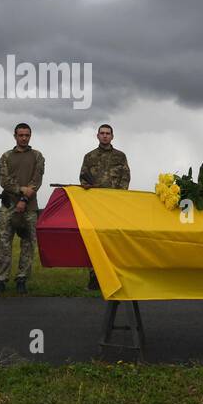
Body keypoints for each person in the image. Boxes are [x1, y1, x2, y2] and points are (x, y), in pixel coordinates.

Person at [0, 123, 45, 296]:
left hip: (29, 208)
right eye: (21, 135)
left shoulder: (37, 156)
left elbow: (36, 181)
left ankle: (22, 278)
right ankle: (1, 280)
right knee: (3, 243)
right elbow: (4, 181)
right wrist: (21, 191)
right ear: (15, 136)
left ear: (30, 136)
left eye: (27, 135)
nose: (24, 138)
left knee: (28, 244)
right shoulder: (6, 156)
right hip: (8, 207)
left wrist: (23, 199)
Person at [78, 123, 130, 290]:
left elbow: (125, 178)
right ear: (98, 136)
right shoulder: (89, 156)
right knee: (95, 240)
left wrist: (118, 197)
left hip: (114, 206)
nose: (105, 136)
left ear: (112, 136)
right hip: (95, 206)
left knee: (113, 240)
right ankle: (94, 278)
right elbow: (83, 178)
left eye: (108, 133)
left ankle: (114, 276)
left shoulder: (120, 156)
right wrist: (87, 187)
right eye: (102, 133)